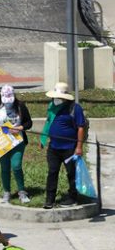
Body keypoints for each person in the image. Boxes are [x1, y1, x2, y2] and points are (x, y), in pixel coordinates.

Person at [41, 81, 87, 209]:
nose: (55, 99)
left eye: (58, 97)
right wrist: (43, 139)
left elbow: (80, 128)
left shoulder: (74, 108)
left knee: (71, 173)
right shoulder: (52, 106)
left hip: (69, 148)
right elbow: (48, 122)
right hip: (54, 147)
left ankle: (73, 197)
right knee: (52, 172)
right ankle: (49, 199)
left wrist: (79, 147)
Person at [0, 84, 32, 204]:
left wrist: (20, 127)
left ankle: (22, 191)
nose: (8, 103)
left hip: (17, 141)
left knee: (16, 166)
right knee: (5, 168)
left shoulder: (20, 106)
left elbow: (29, 122)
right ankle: (6, 192)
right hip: (2, 142)